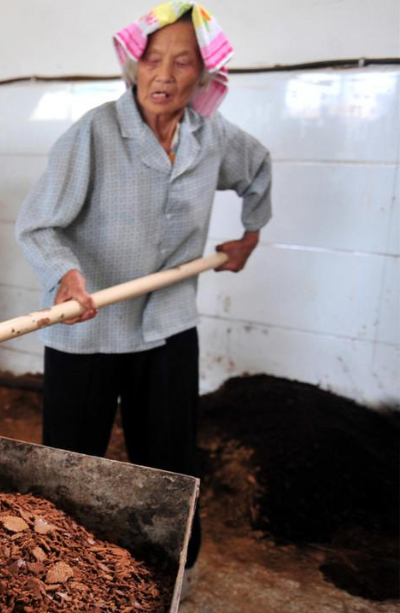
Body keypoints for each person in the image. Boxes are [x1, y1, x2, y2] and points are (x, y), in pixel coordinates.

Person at [15, 2, 271, 574]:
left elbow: (257, 169)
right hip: (90, 325)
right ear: (133, 65)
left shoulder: (212, 137)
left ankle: (168, 573)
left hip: (167, 327)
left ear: (204, 76)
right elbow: (37, 224)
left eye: (183, 63)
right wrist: (66, 274)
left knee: (170, 463)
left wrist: (249, 236)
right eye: (153, 59)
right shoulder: (95, 133)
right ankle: (59, 575)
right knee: (71, 464)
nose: (165, 75)